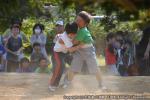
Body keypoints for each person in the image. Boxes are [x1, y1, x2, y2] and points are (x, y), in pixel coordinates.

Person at [63, 11, 105, 90]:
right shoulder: (77, 28)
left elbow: (74, 42)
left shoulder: (83, 31)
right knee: (73, 68)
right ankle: (67, 82)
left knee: (95, 68)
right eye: (77, 20)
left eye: (80, 21)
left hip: (88, 51)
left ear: (85, 24)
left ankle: (101, 84)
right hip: (79, 51)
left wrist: (65, 39)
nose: (77, 22)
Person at [48, 22, 78, 91]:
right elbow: (71, 50)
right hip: (58, 53)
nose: (72, 36)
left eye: (73, 34)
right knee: (60, 67)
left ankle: (66, 80)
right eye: (71, 34)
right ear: (68, 33)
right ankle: (52, 84)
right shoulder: (65, 37)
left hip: (65, 52)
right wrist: (80, 45)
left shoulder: (72, 32)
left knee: (76, 64)